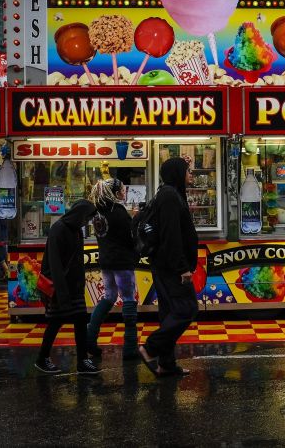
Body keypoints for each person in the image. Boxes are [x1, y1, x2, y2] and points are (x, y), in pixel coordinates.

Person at [139, 157, 199, 378]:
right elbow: (171, 236)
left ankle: (167, 364)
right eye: (187, 171)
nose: (190, 174)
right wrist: (183, 268)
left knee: (168, 314)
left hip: (164, 265)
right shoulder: (170, 197)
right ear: (177, 173)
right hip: (172, 267)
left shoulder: (168, 194)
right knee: (187, 309)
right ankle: (150, 348)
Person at [34, 199, 100, 375]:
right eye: (86, 217)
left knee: (80, 321)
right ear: (80, 214)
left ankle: (82, 360)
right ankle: (42, 358)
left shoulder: (76, 230)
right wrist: (61, 295)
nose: (87, 222)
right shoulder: (59, 230)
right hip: (59, 287)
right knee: (55, 321)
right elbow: (54, 264)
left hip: (74, 286)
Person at [86, 178, 140, 361]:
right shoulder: (118, 212)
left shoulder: (98, 212)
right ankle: (130, 346)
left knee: (108, 296)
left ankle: (90, 338)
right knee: (128, 299)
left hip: (106, 261)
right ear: (115, 193)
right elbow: (129, 237)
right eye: (123, 190)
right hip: (123, 262)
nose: (124, 193)